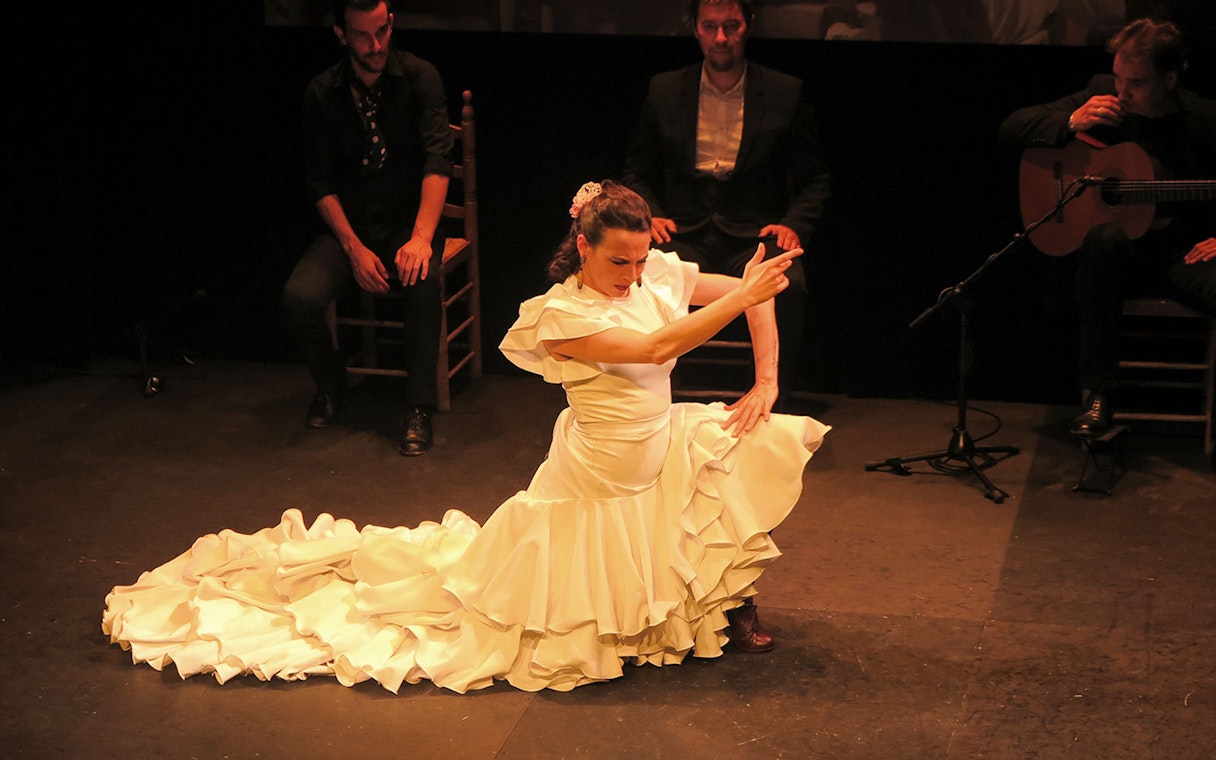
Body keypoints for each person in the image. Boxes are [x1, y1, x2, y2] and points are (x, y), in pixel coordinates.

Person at [101, 182, 831, 693]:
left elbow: (754, 290)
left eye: (641, 261)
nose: (634, 275)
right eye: (619, 261)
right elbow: (654, 347)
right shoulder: (560, 316)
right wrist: (742, 294)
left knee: (748, 442)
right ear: (582, 247)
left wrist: (766, 379)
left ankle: (730, 605)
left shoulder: (651, 277)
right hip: (601, 471)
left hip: (657, 444)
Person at [999, 17, 1216, 436]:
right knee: (1104, 237)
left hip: (1180, 255)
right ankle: (1097, 395)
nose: (1121, 91)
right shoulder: (1101, 96)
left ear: (1170, 79)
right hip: (1113, 261)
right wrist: (1071, 120)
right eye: (1118, 78)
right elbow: (1011, 127)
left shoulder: (1203, 119)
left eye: (1136, 82)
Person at [621, 0, 831, 411]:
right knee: (644, 275)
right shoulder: (666, 89)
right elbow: (637, 169)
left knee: (785, 284)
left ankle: (770, 401)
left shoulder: (784, 92)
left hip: (753, 232)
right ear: (695, 28)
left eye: (731, 26)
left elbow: (815, 178)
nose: (721, 38)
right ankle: (655, 402)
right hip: (684, 229)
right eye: (710, 26)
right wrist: (651, 213)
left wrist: (793, 223)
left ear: (748, 25)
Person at [281, 0, 453, 456]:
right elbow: (320, 183)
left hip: (408, 222)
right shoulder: (323, 92)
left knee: (422, 281)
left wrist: (421, 238)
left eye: (382, 31)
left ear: (391, 23)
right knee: (300, 297)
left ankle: (418, 406)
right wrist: (353, 248)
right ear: (341, 34)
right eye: (362, 35)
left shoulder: (420, 77)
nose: (375, 45)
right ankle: (332, 384)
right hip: (352, 228)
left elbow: (438, 160)